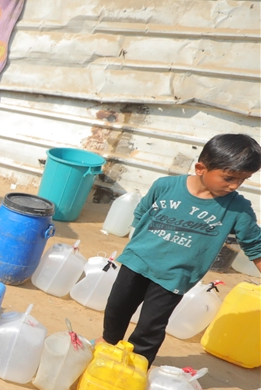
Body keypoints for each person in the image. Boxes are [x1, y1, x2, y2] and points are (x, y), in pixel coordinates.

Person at [101, 134, 261, 365]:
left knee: (150, 326)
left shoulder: (238, 209)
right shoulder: (165, 186)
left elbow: (255, 245)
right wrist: (137, 241)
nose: (235, 185)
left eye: (243, 180)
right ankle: (108, 342)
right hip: (137, 261)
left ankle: (135, 365)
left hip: (175, 274)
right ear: (200, 168)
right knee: (117, 307)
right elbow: (142, 212)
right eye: (229, 178)